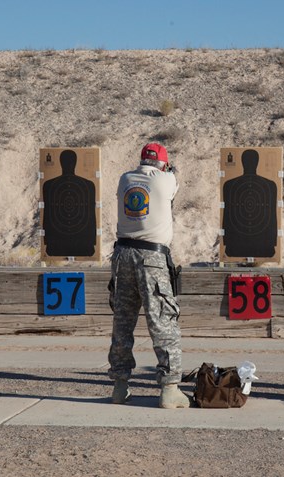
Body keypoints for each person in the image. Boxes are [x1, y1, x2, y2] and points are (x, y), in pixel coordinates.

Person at [107, 143, 189, 408]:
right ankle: (169, 388)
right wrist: (170, 171)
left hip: (122, 256)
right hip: (151, 258)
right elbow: (172, 187)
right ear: (163, 164)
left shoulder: (125, 179)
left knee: (122, 323)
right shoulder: (167, 179)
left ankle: (119, 387)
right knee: (163, 321)